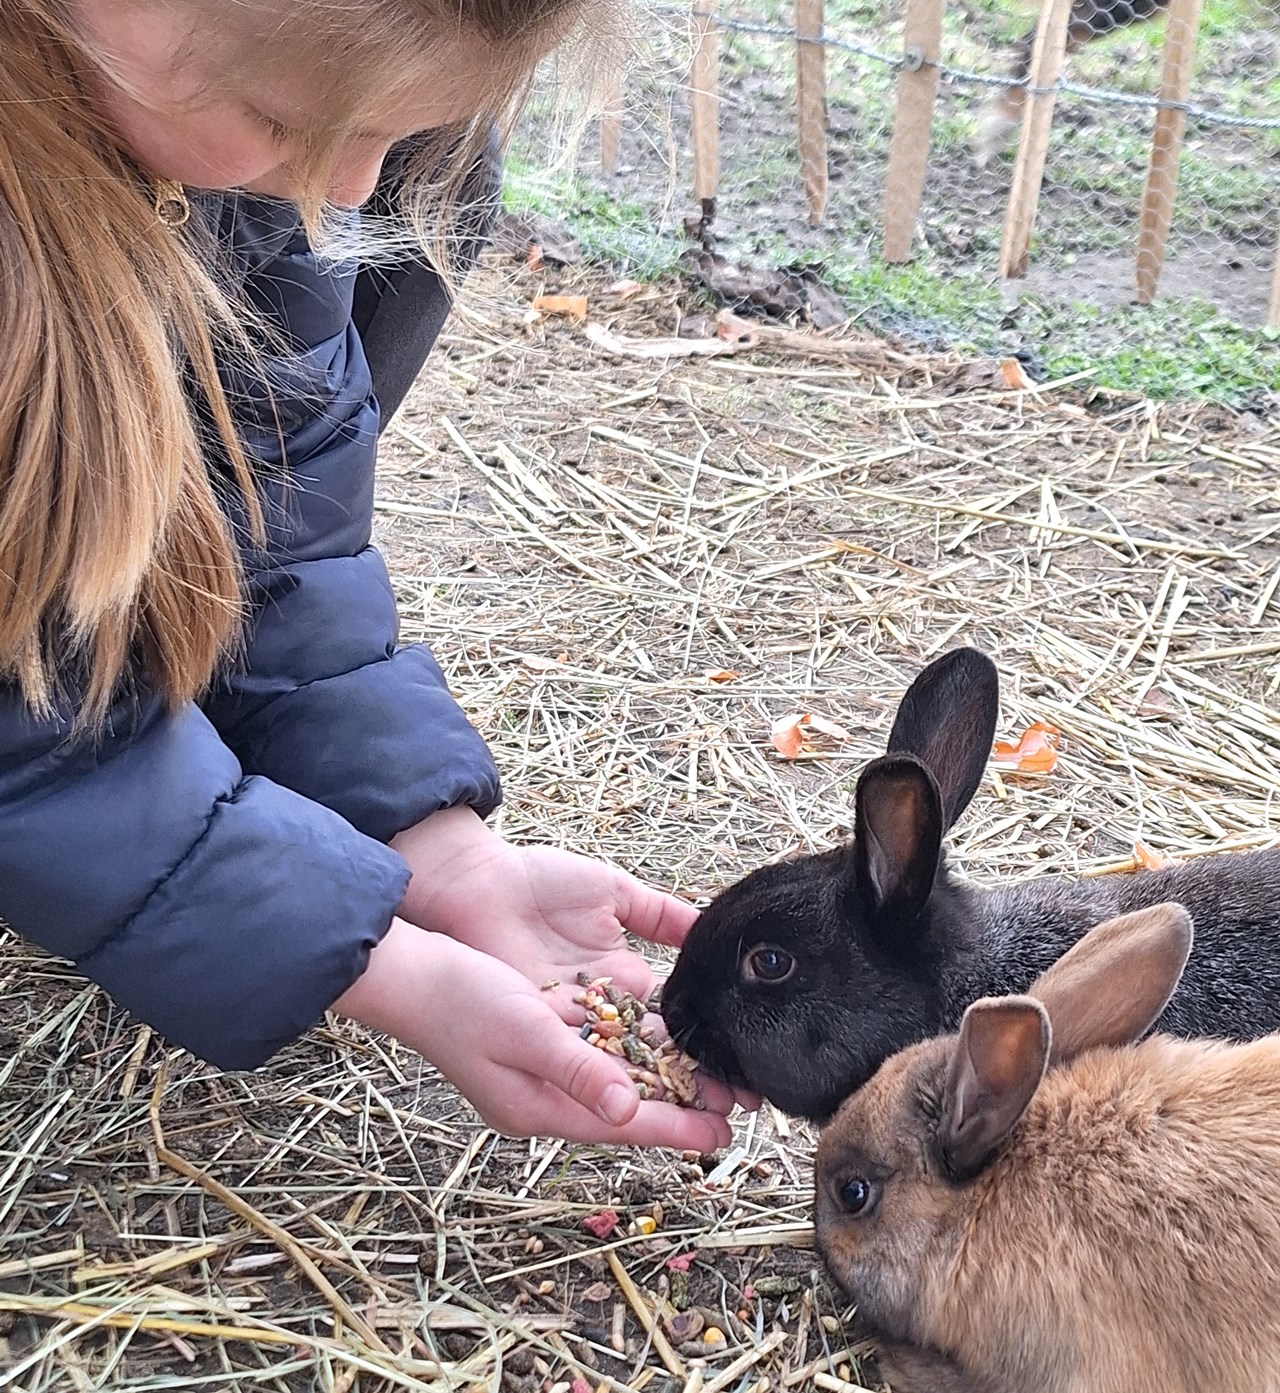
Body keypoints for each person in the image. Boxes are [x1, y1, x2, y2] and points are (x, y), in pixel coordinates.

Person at [0, 0, 749, 1151]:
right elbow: (22, 743)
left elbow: (285, 536)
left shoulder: (215, 140)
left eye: (385, 134)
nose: (349, 186)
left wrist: (432, 850)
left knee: (435, 185)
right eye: (281, 116)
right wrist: (392, 971)